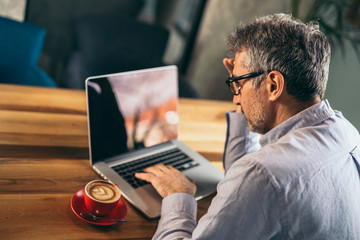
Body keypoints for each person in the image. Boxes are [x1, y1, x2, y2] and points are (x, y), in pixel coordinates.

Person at [135, 13, 360, 239]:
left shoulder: (261, 175)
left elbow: (253, 178)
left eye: (238, 84)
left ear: (273, 85)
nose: (236, 98)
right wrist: (244, 85)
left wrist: (179, 195)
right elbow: (246, 184)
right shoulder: (347, 134)